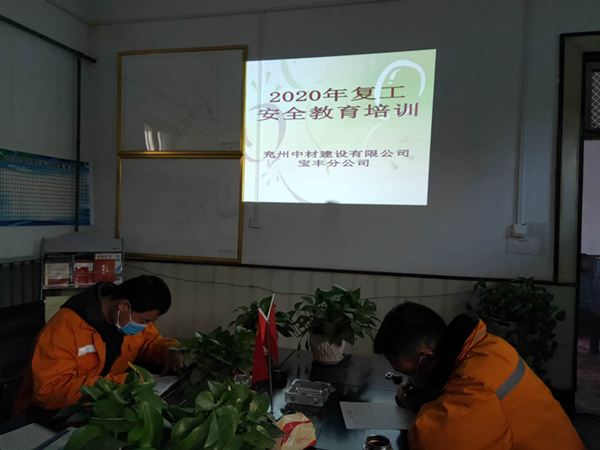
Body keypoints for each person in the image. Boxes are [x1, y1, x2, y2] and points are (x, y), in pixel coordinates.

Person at [374, 302, 584, 449]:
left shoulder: (477, 384)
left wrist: (420, 406)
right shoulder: (486, 346)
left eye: (408, 372)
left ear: (427, 358)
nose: (408, 378)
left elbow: (431, 441)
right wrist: (429, 397)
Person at [13, 275, 183, 424]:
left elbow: (150, 341)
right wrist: (124, 384)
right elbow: (49, 391)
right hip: (49, 416)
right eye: (144, 321)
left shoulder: (127, 317)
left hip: (99, 406)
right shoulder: (66, 326)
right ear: (124, 305)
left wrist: (171, 351)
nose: (146, 326)